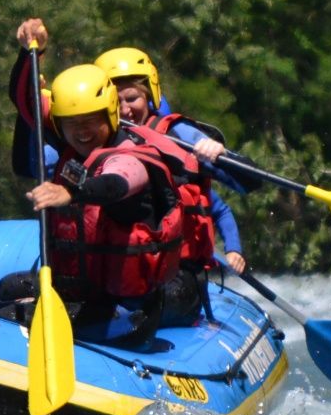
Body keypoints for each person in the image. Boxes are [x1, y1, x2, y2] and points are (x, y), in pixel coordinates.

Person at [0, 19, 194, 343]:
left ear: (110, 114)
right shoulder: (68, 142)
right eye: (73, 124)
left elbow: (116, 184)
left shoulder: (129, 154)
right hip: (79, 294)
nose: (82, 131)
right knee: (8, 291)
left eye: (91, 121)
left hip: (126, 312)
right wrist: (31, 52)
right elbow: (25, 100)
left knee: (8, 321)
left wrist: (70, 192)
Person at [94, 46, 250, 276]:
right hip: (116, 273)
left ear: (149, 96)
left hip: (176, 274)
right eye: (116, 102)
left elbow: (235, 193)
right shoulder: (87, 139)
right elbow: (29, 165)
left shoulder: (178, 136)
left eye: (132, 98)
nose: (125, 110)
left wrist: (221, 153)